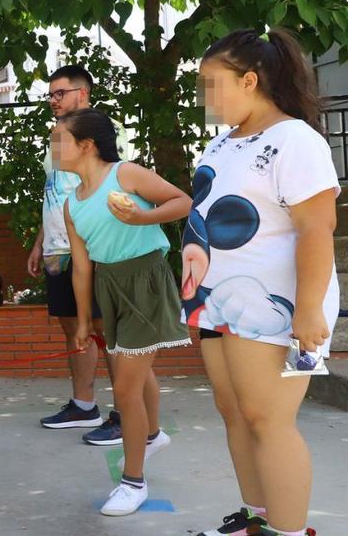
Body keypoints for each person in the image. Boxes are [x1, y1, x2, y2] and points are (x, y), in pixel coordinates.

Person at [187, 29, 336, 536]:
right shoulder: (220, 143)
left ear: (249, 80)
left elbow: (317, 228)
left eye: (212, 85)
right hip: (217, 300)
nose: (204, 99)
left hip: (278, 304)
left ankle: (291, 532)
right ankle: (257, 521)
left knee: (268, 420)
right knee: (235, 413)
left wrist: (310, 309)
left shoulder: (296, 139)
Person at [55, 108, 191, 516]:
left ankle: (133, 482)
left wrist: (142, 216)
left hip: (146, 279)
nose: (52, 148)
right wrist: (81, 320)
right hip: (109, 287)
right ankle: (152, 435)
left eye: (58, 139)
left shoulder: (126, 175)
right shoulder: (71, 204)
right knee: (135, 368)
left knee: (126, 387)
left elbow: (183, 201)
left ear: (86, 145)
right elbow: (81, 267)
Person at [31, 66, 135, 445]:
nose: (53, 100)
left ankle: (127, 414)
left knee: (107, 331)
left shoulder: (108, 131)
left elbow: (115, 184)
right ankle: (83, 405)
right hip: (59, 249)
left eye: (60, 93)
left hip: (92, 247)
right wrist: (41, 240)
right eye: (51, 95)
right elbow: (54, 190)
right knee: (75, 328)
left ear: (82, 94)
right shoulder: (57, 138)